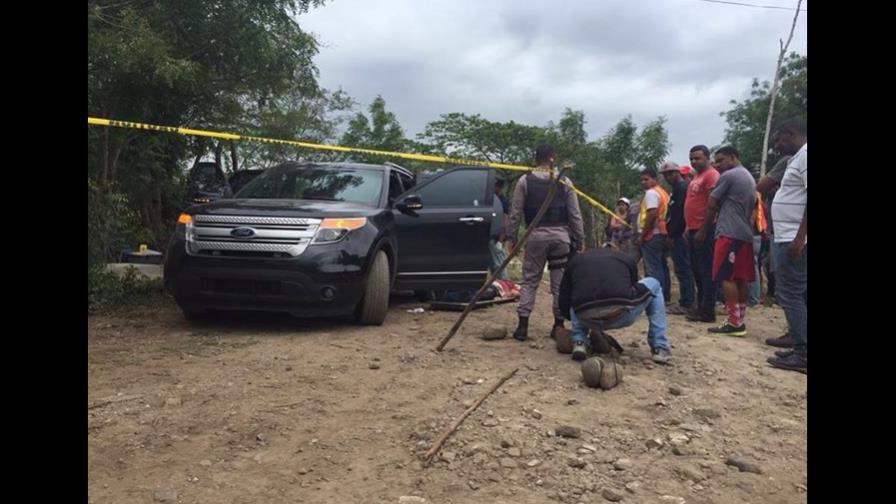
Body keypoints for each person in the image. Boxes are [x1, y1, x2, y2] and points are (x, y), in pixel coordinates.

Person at [507, 144, 585, 341]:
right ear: (553, 157)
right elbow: (575, 214)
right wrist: (580, 239)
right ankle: (558, 325)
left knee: (530, 280)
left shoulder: (525, 180)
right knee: (558, 285)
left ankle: (522, 326)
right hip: (561, 239)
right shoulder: (565, 181)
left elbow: (516, 213)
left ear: (535, 158)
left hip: (536, 238)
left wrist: (512, 237)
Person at [559, 248, 672, 364]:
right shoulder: (626, 259)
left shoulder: (575, 262)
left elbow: (563, 299)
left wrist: (574, 318)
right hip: (621, 315)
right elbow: (632, 286)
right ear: (615, 251)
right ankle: (659, 346)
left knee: (575, 293)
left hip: (586, 318)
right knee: (655, 284)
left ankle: (579, 342)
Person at [696, 146, 756, 336]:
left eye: (721, 160)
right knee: (740, 277)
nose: (717, 165)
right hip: (744, 233)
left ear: (732, 157)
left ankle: (733, 322)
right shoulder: (748, 177)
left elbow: (712, 203)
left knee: (725, 276)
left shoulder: (730, 176)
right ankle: (739, 319)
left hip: (728, 232)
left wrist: (703, 230)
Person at [765, 119, 807, 373]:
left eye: (779, 140)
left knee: (790, 292)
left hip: (793, 238)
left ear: (790, 135)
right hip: (788, 235)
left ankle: (803, 352)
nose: (777, 146)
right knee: (797, 293)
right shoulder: (798, 158)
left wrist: (799, 238)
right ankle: (798, 340)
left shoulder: (805, 157)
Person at [684, 145, 721, 323]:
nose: (694, 161)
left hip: (705, 229)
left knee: (706, 270)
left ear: (707, 157)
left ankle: (708, 311)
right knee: (697, 269)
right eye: (691, 158)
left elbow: (712, 205)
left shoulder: (711, 175)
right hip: (693, 229)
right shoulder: (696, 177)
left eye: (697, 158)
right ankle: (700, 307)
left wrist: (704, 229)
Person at [659, 161, 696, 314]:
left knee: (683, 269)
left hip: (679, 235)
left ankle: (687, 303)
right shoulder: (676, 189)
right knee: (682, 268)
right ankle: (688, 300)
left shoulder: (682, 188)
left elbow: (680, 216)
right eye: (665, 175)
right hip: (677, 234)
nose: (668, 177)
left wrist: (672, 235)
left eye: (670, 173)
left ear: (677, 173)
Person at [638, 167, 672, 303]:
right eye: (641, 180)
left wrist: (643, 235)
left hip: (653, 234)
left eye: (646, 179)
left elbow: (651, 214)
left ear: (654, 179)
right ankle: (665, 295)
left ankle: (656, 298)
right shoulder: (663, 192)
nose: (643, 182)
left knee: (653, 268)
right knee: (662, 265)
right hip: (662, 233)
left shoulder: (651, 193)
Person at [488, 177, 510, 280]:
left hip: (497, 237)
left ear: (499, 187)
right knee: (492, 264)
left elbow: (505, 220)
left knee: (499, 264)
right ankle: (497, 284)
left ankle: (504, 283)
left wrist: (501, 240)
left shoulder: (502, 201)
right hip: (490, 236)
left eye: (495, 186)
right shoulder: (491, 199)